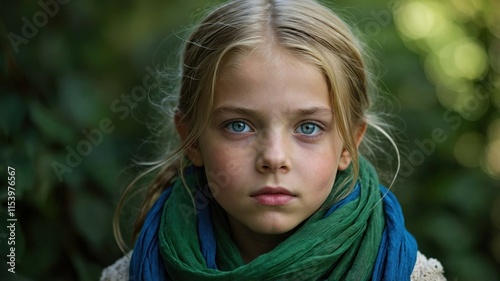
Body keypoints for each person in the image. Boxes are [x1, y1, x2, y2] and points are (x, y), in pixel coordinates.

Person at [101, 0, 447, 280]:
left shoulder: (412, 275)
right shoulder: (129, 275)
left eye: (308, 127)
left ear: (349, 145)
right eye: (239, 125)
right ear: (191, 140)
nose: (274, 157)